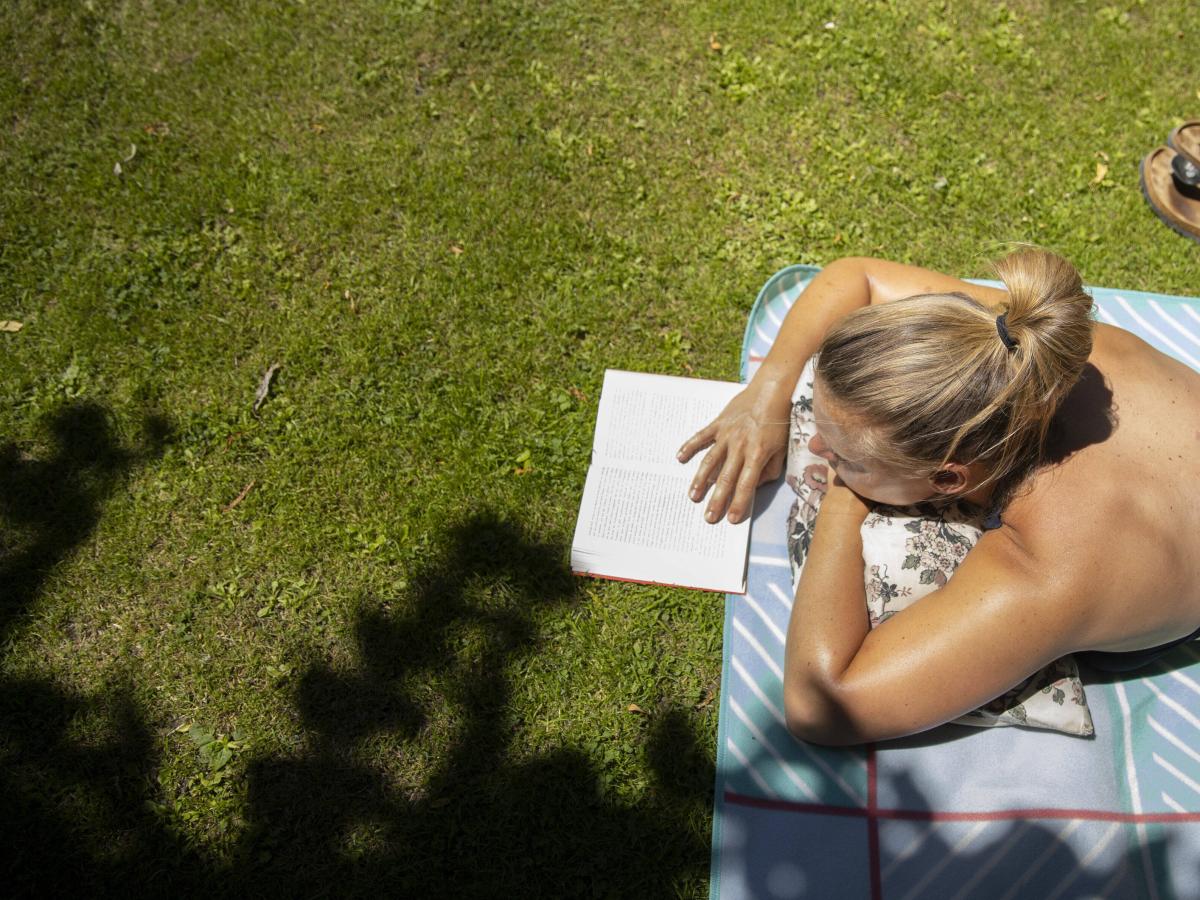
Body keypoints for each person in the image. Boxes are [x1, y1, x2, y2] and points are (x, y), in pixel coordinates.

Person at [677, 250, 1200, 745]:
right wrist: (767, 389)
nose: (813, 446)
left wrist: (843, 492)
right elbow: (854, 274)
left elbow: (822, 703)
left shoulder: (1049, 566)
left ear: (949, 480)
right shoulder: (1013, 350)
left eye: (840, 453)